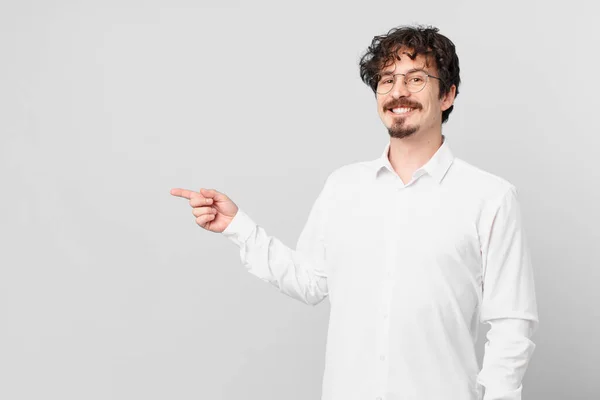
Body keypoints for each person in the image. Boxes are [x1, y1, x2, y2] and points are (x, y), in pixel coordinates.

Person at [171, 25, 538, 400]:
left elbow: (512, 324)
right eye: (387, 79)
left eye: (415, 79)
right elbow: (310, 280)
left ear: (447, 95)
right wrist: (238, 227)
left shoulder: (490, 197)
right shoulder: (342, 186)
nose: (398, 92)